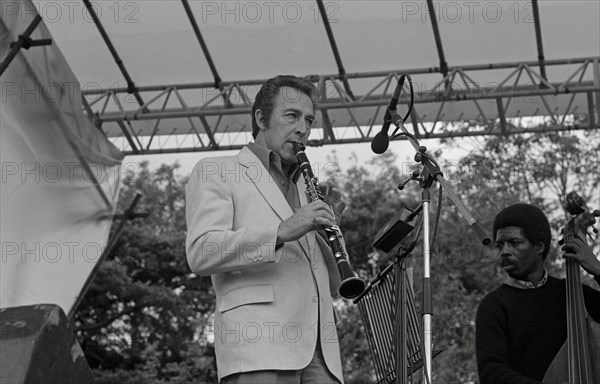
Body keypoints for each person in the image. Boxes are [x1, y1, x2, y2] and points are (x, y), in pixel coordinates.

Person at [185, 75, 345, 384]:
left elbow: (335, 285)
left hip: (322, 353)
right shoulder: (216, 170)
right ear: (261, 118)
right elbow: (201, 252)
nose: (303, 128)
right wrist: (282, 231)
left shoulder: (308, 187)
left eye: (309, 120)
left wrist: (331, 234)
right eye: (292, 116)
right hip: (258, 347)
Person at [475, 203, 600, 383]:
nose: (504, 252)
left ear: (539, 247)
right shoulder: (493, 305)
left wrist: (597, 269)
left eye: (514, 243)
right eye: (500, 245)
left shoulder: (572, 293)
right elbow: (492, 372)